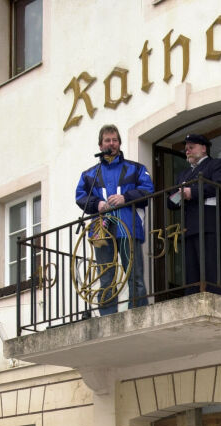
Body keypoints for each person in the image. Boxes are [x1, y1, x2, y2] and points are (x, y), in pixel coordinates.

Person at [75, 124, 154, 315]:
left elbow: (148, 189)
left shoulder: (135, 168)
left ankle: (138, 314)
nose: (112, 144)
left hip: (129, 226)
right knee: (106, 276)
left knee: (134, 274)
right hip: (101, 230)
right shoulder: (89, 174)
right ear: (100, 145)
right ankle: (107, 318)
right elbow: (80, 197)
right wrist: (97, 204)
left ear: (119, 143)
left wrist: (125, 198)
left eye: (115, 140)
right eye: (107, 140)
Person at [168, 133, 221, 293]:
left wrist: (192, 192)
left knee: (213, 268)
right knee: (191, 273)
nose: (187, 151)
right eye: (186, 149)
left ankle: (219, 301)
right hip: (188, 228)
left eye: (191, 147)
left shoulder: (217, 164)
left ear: (203, 148)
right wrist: (180, 196)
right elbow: (171, 202)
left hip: (210, 225)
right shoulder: (182, 175)